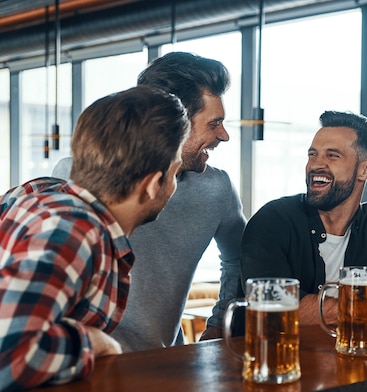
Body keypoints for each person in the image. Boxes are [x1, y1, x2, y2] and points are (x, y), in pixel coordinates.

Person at [0, 86, 189, 392]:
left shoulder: (38, 193)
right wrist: (94, 342)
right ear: (154, 184)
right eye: (175, 172)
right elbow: (7, 356)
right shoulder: (77, 232)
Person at [52, 52, 246, 348]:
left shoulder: (217, 189)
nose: (224, 135)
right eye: (214, 123)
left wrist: (219, 324)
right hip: (89, 363)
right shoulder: (72, 173)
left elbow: (238, 259)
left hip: (165, 364)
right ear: (171, 120)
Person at [234, 110, 367, 330]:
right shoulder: (273, 220)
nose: (315, 165)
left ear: (365, 169)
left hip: (349, 356)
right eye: (312, 154)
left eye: (332, 155)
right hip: (268, 357)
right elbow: (270, 303)